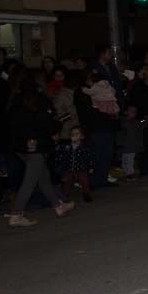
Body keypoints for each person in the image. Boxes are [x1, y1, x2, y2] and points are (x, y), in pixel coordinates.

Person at [7, 79, 75, 226]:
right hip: (37, 147)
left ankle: (58, 206)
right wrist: (58, 124)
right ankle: (16, 214)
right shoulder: (41, 100)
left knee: (43, 177)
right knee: (30, 181)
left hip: (21, 147)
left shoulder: (15, 102)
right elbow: (47, 123)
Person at [55, 125, 94, 202]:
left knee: (84, 181)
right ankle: (65, 196)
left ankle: (86, 194)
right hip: (69, 169)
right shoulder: (66, 147)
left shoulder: (84, 147)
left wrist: (91, 167)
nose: (74, 135)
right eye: (72, 133)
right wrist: (59, 164)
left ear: (82, 137)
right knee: (67, 182)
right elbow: (61, 156)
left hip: (81, 168)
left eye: (77, 134)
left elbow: (89, 158)